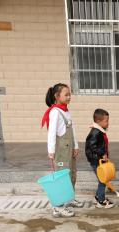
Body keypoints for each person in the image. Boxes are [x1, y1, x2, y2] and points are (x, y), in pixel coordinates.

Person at [41, 83, 84, 218]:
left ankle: (69, 198)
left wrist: (75, 145)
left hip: (69, 149)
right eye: (66, 94)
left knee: (71, 174)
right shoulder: (55, 112)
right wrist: (51, 151)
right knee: (61, 178)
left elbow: (73, 130)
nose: (69, 96)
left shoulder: (66, 110)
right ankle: (57, 207)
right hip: (60, 151)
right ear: (57, 96)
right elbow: (51, 133)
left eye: (69, 94)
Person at [85, 109, 115, 209]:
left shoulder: (99, 131)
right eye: (106, 121)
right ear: (98, 122)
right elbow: (92, 146)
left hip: (99, 159)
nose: (108, 123)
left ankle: (98, 196)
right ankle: (101, 201)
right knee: (103, 180)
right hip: (95, 160)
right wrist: (102, 154)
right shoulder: (95, 132)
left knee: (102, 179)